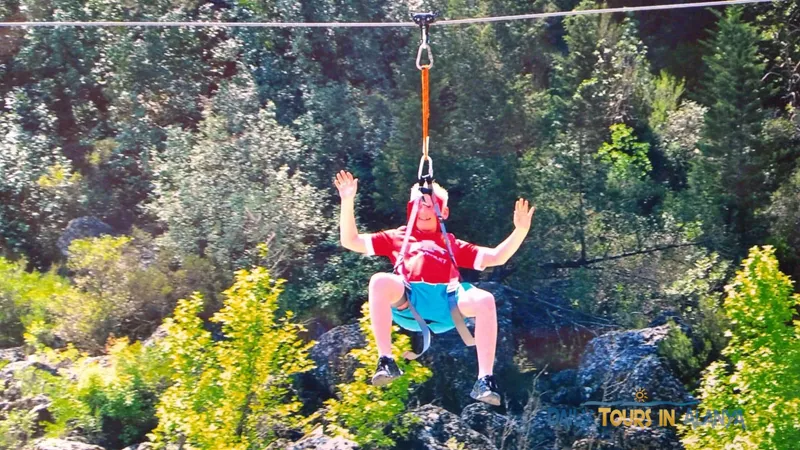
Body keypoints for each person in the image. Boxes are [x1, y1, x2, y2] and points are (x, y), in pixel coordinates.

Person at [334, 170, 534, 405]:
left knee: (485, 300)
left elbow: (496, 257)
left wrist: (520, 231)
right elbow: (351, 241)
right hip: (410, 302)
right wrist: (347, 201)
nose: (424, 211)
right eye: (419, 205)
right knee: (379, 280)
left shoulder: (452, 243)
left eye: (430, 205)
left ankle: (484, 379)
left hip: (446, 303)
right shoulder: (399, 237)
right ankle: (386, 360)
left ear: (443, 212)